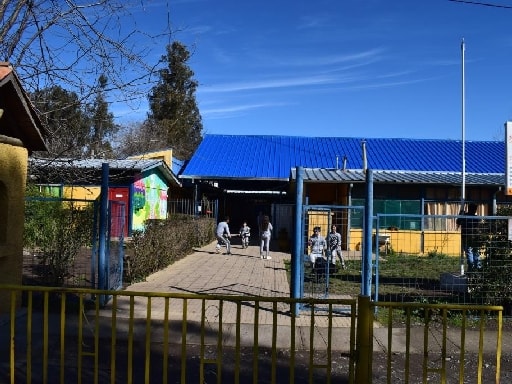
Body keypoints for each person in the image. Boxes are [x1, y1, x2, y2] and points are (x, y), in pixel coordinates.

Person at [456, 203, 482, 272]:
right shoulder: (477, 218)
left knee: (469, 252)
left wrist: (461, 213)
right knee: (476, 252)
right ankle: (478, 268)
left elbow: (458, 222)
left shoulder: (464, 216)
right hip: (475, 238)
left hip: (466, 238)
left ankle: (471, 268)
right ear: (475, 210)